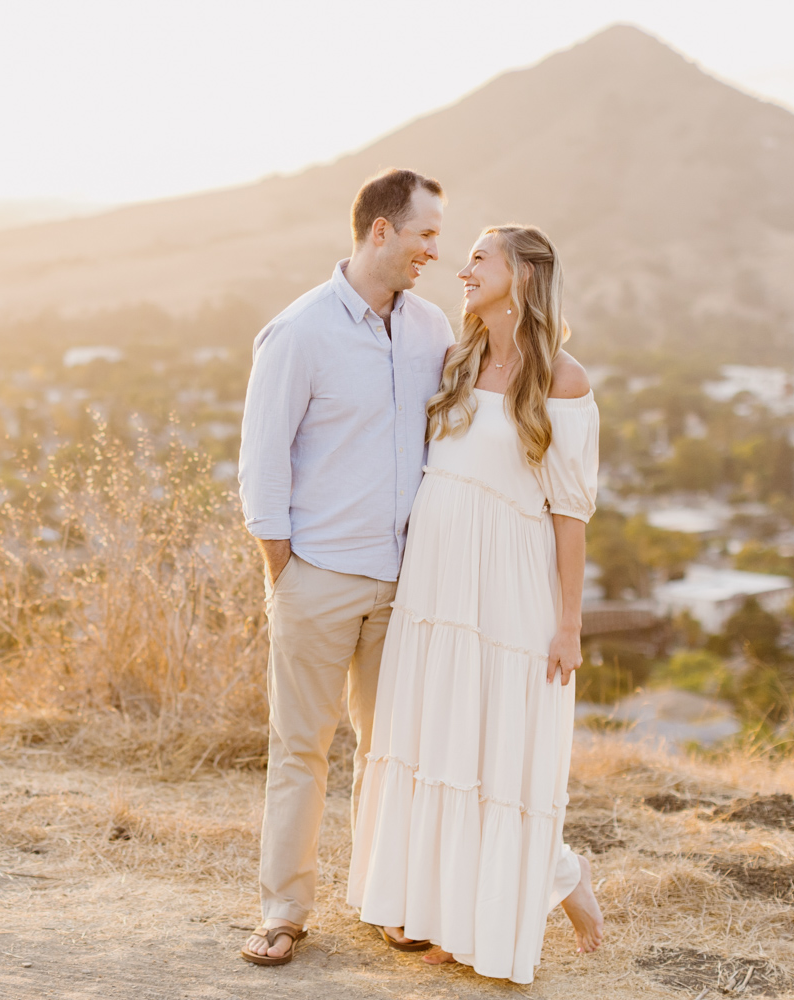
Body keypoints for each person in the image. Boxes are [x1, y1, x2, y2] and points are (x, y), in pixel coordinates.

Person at [347, 224, 606, 984]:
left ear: (522, 274)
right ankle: (438, 911)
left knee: (495, 745)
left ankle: (555, 878)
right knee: (437, 739)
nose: (464, 269)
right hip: (437, 582)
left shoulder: (561, 378)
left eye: (481, 259)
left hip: (510, 586)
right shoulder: (457, 358)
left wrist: (568, 624)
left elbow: (570, 511)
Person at [236, 168, 454, 966]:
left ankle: (388, 903)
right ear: (381, 231)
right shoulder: (299, 331)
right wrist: (282, 571)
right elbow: (261, 462)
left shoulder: (433, 330)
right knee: (300, 749)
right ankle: (283, 911)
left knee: (391, 752)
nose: (437, 249)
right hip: (317, 577)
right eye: (427, 233)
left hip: (405, 583)